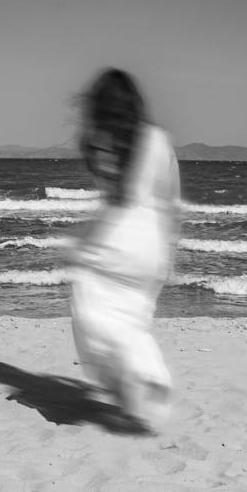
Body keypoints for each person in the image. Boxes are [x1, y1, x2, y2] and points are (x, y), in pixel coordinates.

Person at [67, 68, 182, 430]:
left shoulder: (101, 141)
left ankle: (128, 380)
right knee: (132, 321)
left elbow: (111, 198)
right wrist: (169, 251)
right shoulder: (158, 140)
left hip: (115, 241)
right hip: (150, 247)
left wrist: (79, 244)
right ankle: (150, 377)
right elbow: (170, 199)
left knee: (89, 305)